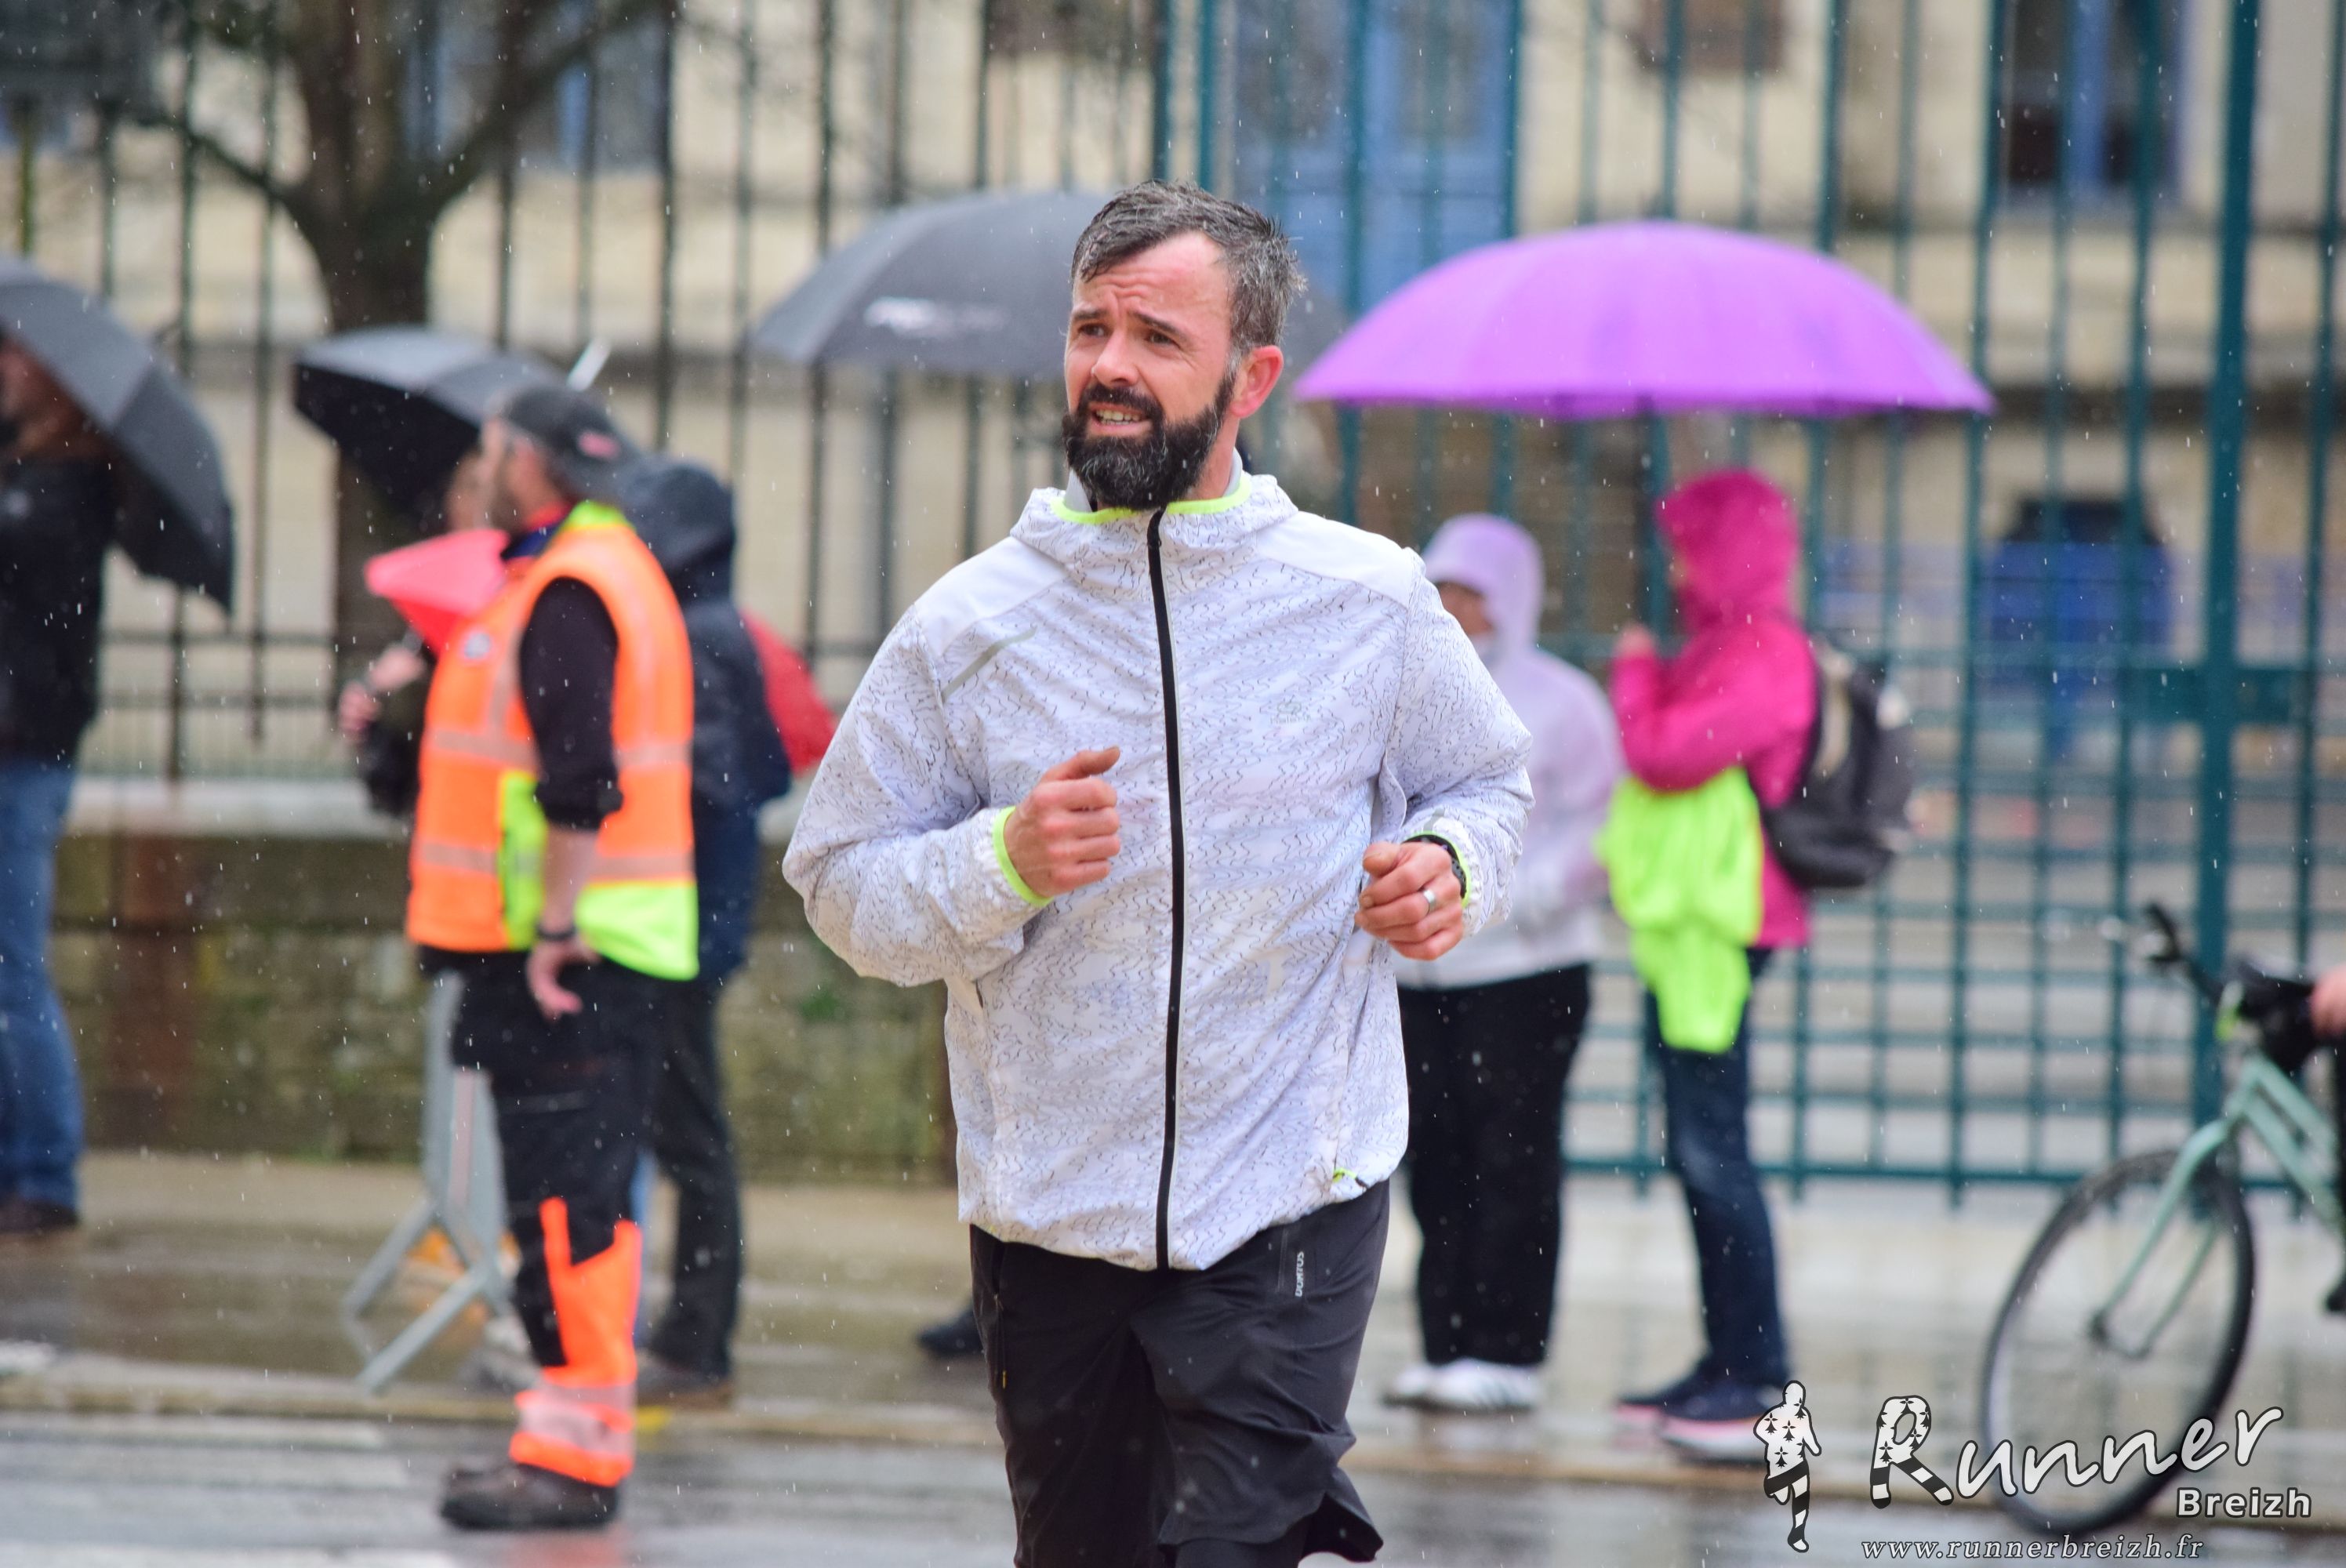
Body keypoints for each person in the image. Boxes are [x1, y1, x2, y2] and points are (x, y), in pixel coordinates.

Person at [785, 181, 1531, 1568]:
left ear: (1252, 377)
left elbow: (1487, 784)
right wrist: (998, 863)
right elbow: (838, 884)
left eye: (1156, 337)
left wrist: (1446, 867)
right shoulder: (969, 627)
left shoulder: (1365, 599)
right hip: (1051, 1219)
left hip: (1290, 1206)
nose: (1111, 365)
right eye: (1090, 329)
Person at [411, 385, 698, 1531]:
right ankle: (565, 1443)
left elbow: (580, 777)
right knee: (573, 1211)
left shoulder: (572, 586)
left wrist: (556, 928)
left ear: (530, 463)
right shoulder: (593, 570)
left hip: (574, 959)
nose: (480, 470)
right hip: (594, 953)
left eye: (490, 451)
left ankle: (575, 1462)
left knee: (568, 1215)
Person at [1387, 514, 1621, 1414]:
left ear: (1514, 599)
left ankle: (1509, 1347)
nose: (1456, 605)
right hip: (1422, 973)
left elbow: (1601, 821)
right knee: (1434, 1159)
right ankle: (1447, 1343)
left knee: (1512, 1157)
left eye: (1474, 590)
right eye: (1443, 586)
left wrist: (1526, 896)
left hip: (1527, 974)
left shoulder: (1563, 701)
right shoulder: (1404, 685)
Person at [1604, 469, 1814, 1461]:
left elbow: (1663, 753)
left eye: (1691, 547)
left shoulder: (1763, 651)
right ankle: (1723, 1355)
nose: (1678, 567)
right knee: (1697, 1147)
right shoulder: (1728, 642)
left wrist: (1634, 671)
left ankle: (1756, 1371)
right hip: (1694, 922)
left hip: (1720, 927)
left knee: (1712, 1149)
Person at [623, 459, 793, 1406]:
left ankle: (696, 1341)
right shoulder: (708, 628)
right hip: (687, 921)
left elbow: (716, 780)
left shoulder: (696, 636)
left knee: (691, 1134)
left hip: (679, 928)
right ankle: (689, 1331)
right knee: (685, 1129)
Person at [0, 339, 121, 1241]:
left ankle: (44, 1170)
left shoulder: (66, 493)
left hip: (25, 754)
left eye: (16, 357)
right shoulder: (24, 476)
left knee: (17, 965)